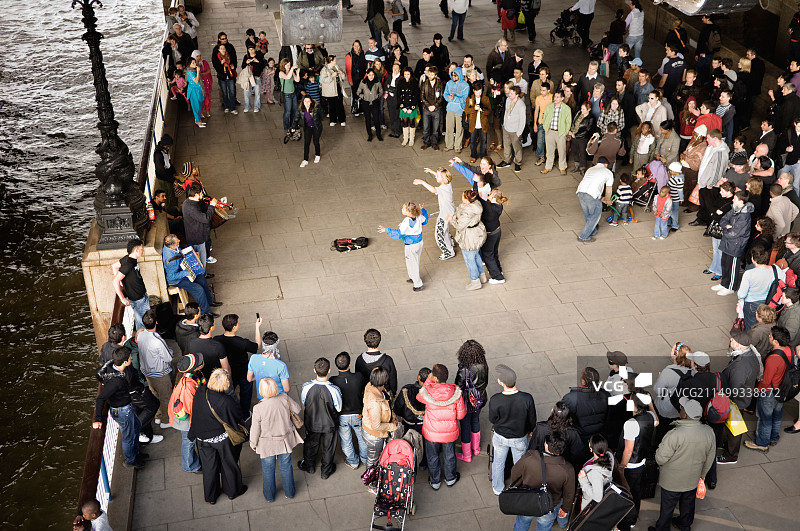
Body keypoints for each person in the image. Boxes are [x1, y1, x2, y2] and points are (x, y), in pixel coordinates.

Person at [650, 398, 715, 531]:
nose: (680, 409)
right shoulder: (709, 432)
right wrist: (701, 476)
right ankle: (684, 525)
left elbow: (660, 459)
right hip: (693, 478)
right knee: (688, 504)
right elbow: (710, 458)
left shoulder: (675, 435)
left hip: (671, 482)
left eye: (682, 408)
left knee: (667, 508)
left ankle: (662, 528)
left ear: (685, 415)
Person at [189, 368, 247, 504]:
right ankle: (232, 491)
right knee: (228, 464)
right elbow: (236, 417)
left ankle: (211, 496)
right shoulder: (226, 401)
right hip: (221, 439)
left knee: (209, 467)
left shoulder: (200, 392)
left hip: (202, 438)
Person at [250, 376, 302, 502]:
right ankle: (289, 493)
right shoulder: (284, 398)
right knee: (286, 468)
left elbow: (255, 429)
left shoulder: (258, 408)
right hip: (285, 442)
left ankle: (269, 496)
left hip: (267, 445)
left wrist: (253, 443)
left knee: (268, 471)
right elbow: (298, 409)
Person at [510, 432, 575, 531]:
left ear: (546, 444)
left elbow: (515, 473)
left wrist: (520, 487)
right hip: (549, 505)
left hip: (527, 501)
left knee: (521, 525)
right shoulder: (567, 468)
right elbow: (569, 493)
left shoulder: (529, 457)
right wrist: (565, 508)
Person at [488, 364, 537, 495]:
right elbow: (532, 419)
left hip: (500, 437)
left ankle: (497, 488)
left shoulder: (495, 400)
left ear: (501, 382)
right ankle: (519, 487)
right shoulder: (526, 398)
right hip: (520, 437)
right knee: (520, 464)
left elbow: (492, 419)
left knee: (498, 462)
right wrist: (531, 430)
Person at [94, 348, 145, 469]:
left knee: (136, 426)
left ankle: (136, 453)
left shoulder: (111, 367)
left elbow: (98, 373)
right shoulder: (116, 382)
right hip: (122, 411)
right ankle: (131, 460)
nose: (131, 359)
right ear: (125, 362)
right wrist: (98, 419)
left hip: (126, 408)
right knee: (128, 437)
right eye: (130, 358)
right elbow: (100, 398)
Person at [418, 363, 466, 490]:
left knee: (432, 456)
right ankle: (450, 478)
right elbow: (461, 415)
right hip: (449, 432)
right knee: (449, 456)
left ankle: (435, 481)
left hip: (431, 432)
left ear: (434, 378)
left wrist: (428, 380)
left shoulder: (428, 392)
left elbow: (419, 396)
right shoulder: (455, 392)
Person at [745, 326, 792, 452]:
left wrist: (757, 388)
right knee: (777, 415)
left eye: (770, 336)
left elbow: (766, 381)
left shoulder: (773, 359)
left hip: (769, 392)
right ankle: (773, 437)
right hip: (782, 390)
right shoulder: (789, 350)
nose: (769, 337)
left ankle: (762, 443)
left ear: (776, 341)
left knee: (765, 418)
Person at [717, 330, 760, 464]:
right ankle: (729, 446)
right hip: (743, 397)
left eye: (733, 340)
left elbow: (734, 388)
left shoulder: (740, 366)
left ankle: (731, 455)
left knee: (734, 428)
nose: (730, 341)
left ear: (739, 345)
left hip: (736, 401)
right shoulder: (749, 354)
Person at [298, 357, 342, 479]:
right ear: (329, 371)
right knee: (328, 447)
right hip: (329, 424)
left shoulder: (306, 387)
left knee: (310, 444)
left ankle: (309, 466)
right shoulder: (334, 390)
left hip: (312, 422)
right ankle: (326, 471)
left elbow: (304, 401)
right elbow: (338, 408)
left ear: (314, 370)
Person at [214, 314, 261, 418]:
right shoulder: (242, 343)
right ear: (234, 327)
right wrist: (257, 327)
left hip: (228, 373)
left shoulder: (217, 339)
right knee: (246, 394)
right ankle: (245, 414)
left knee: (229, 393)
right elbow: (257, 346)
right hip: (243, 372)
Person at [362, 366, 399, 491]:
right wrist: (392, 426)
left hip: (372, 431)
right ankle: (371, 483)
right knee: (373, 460)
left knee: (373, 457)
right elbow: (376, 425)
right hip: (375, 436)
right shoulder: (375, 403)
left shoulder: (371, 387)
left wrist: (392, 416)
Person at [161, 234, 217, 316]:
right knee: (198, 290)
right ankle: (206, 312)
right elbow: (171, 277)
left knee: (201, 278)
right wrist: (186, 272)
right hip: (177, 280)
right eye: (177, 241)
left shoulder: (172, 248)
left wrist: (193, 254)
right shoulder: (170, 259)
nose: (179, 240)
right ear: (172, 246)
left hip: (182, 271)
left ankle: (209, 301)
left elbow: (181, 252)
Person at [378, 202, 428, 291]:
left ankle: (418, 284)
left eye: (403, 208)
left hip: (410, 245)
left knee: (413, 264)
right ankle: (413, 277)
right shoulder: (419, 215)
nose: (402, 209)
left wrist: (386, 230)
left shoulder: (406, 221)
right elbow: (425, 221)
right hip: (419, 243)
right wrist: (423, 210)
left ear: (408, 212)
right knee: (415, 261)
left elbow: (398, 234)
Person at [330, 352, 368, 470]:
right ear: (350, 364)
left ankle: (353, 461)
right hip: (358, 413)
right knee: (362, 438)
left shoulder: (333, 380)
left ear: (336, 366)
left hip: (342, 416)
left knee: (346, 440)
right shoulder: (359, 377)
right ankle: (365, 459)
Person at [452, 340, 489, 462]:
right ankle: (476, 448)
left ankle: (467, 455)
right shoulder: (484, 364)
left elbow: (458, 385)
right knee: (475, 421)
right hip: (480, 398)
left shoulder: (464, 369)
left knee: (465, 425)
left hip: (467, 402)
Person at [137, 309, 174, 426]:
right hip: (160, 374)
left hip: (147, 373)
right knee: (166, 397)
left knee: (155, 395)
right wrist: (171, 351)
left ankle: (158, 416)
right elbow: (168, 358)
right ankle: (165, 420)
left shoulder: (140, 335)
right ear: (156, 323)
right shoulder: (158, 340)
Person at [169, 353, 205, 473]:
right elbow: (191, 408)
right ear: (194, 368)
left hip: (185, 418)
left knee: (188, 441)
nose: (202, 362)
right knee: (188, 442)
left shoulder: (187, 376)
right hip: (185, 421)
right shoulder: (188, 385)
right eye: (199, 362)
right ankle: (189, 466)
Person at [714, 190, 754, 295]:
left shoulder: (744, 216)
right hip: (728, 242)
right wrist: (727, 227)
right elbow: (723, 219)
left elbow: (736, 233)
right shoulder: (734, 209)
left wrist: (725, 230)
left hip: (736, 245)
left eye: (735, 199)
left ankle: (731, 287)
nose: (732, 200)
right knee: (725, 264)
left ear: (741, 201)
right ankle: (724, 283)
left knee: (732, 267)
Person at [413, 167, 455, 261]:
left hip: (445, 215)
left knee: (439, 234)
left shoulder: (443, 189)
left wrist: (422, 182)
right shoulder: (448, 183)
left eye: (438, 175)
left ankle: (448, 252)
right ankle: (450, 243)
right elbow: (440, 176)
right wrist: (432, 172)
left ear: (443, 178)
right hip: (449, 212)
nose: (436, 176)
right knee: (445, 230)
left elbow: (433, 190)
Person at [449, 189, 486, 291]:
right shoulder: (476, 204)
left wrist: (451, 219)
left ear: (466, 199)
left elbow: (459, 225)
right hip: (477, 234)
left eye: (463, 196)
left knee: (469, 260)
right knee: (476, 255)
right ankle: (482, 276)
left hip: (469, 237)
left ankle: (475, 281)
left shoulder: (467, 212)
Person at [561, 367, 609, 445]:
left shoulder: (571, 398)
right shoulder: (606, 395)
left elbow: (562, 419)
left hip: (579, 438)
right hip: (598, 438)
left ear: (583, 381)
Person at [111, 238, 149, 331]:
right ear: (136, 250)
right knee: (143, 322)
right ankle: (143, 341)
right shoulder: (128, 265)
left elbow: (114, 266)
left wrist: (121, 282)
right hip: (138, 298)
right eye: (141, 249)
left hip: (140, 296)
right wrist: (122, 298)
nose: (142, 251)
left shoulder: (127, 259)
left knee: (141, 320)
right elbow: (114, 281)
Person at [576, 157, 614, 242]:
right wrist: (608, 200)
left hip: (581, 192)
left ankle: (593, 230)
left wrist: (601, 198)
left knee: (588, 214)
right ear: (606, 165)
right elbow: (608, 189)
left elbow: (591, 183)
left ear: (597, 163)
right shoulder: (608, 172)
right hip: (592, 195)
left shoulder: (590, 169)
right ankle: (583, 236)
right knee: (595, 215)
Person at [182, 182, 219, 268]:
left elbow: (201, 210)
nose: (202, 195)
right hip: (197, 237)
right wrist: (212, 206)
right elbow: (205, 218)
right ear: (196, 195)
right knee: (201, 259)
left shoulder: (188, 202)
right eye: (201, 193)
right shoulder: (192, 208)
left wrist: (209, 205)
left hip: (193, 234)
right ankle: (202, 274)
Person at [355, 329, 399, 397]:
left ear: (365, 341)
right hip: (384, 392)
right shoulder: (388, 360)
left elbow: (358, 377)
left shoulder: (360, 359)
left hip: (368, 392)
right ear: (379, 340)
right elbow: (393, 378)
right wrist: (393, 392)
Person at [247, 330, 290, 396]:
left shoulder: (253, 358)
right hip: (278, 396)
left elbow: (249, 379)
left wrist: (259, 375)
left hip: (262, 395)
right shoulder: (281, 366)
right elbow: (286, 389)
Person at [540, 90, 573, 175]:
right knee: (549, 150)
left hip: (560, 132)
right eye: (555, 97)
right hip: (550, 131)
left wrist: (564, 132)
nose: (556, 99)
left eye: (558, 97)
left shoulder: (566, 109)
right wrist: (545, 128)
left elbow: (568, 122)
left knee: (562, 151)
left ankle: (562, 167)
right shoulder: (549, 107)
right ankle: (548, 167)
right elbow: (545, 117)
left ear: (562, 98)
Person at [578, 434, 613, 510]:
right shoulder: (609, 456)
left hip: (589, 505)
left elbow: (597, 498)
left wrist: (583, 480)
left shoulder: (595, 474)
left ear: (591, 449)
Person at [497, 86, 526, 173]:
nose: (509, 94)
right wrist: (504, 125)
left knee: (517, 147)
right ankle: (507, 160)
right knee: (506, 145)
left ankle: (518, 162)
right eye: (509, 93)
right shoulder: (508, 100)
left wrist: (519, 133)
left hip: (515, 130)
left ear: (517, 95)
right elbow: (506, 113)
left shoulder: (521, 105)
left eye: (511, 93)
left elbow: (522, 120)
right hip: (506, 128)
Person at [394, 367, 430, 436]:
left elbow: (398, 407)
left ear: (418, 377)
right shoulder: (434, 392)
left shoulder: (406, 390)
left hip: (408, 423)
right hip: (425, 424)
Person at [291, 95, 324, 168]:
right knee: (306, 143)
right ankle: (305, 160)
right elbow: (296, 119)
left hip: (316, 127)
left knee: (316, 141)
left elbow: (322, 115)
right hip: (307, 127)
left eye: (308, 101)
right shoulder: (300, 110)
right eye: (305, 101)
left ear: (311, 102)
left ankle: (317, 155)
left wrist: (318, 121)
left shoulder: (316, 108)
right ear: (303, 102)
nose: (307, 103)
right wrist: (293, 127)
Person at [464, 82, 490, 162]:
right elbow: (466, 110)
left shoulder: (485, 99)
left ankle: (483, 155)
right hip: (473, 124)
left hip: (483, 124)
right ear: (474, 91)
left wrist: (483, 110)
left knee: (483, 141)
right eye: (477, 91)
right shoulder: (470, 99)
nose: (479, 93)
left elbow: (489, 111)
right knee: (473, 141)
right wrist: (473, 109)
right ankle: (473, 155)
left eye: (480, 91)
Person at [357, 69, 385, 142]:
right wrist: (364, 97)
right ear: (367, 75)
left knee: (376, 119)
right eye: (370, 75)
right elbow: (358, 92)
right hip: (366, 103)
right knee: (368, 119)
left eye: (372, 75)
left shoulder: (377, 81)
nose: (371, 76)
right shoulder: (363, 82)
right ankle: (370, 135)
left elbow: (381, 90)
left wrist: (377, 96)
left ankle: (379, 134)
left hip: (375, 102)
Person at [569, 102, 596, 174]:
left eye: (584, 109)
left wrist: (576, 135)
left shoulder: (591, 118)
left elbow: (587, 130)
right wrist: (571, 132)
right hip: (574, 135)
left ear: (589, 109)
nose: (582, 110)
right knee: (574, 151)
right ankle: (577, 165)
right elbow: (574, 123)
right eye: (581, 108)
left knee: (582, 152)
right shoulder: (578, 113)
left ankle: (582, 168)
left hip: (582, 138)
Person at [212, 42, 237, 115]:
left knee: (232, 92)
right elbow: (216, 68)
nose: (223, 50)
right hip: (222, 77)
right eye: (221, 49)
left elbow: (233, 63)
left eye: (224, 48)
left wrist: (232, 66)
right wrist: (221, 64)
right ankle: (226, 106)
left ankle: (233, 108)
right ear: (219, 50)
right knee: (225, 93)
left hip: (230, 76)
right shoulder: (217, 57)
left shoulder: (229, 56)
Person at [397, 67, 420, 146]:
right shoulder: (401, 82)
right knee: (405, 122)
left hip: (411, 106)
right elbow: (398, 95)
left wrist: (412, 108)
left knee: (411, 122)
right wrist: (402, 107)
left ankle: (411, 139)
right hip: (404, 105)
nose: (406, 76)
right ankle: (405, 138)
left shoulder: (414, 82)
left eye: (408, 74)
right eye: (405, 74)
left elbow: (416, 95)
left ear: (411, 74)